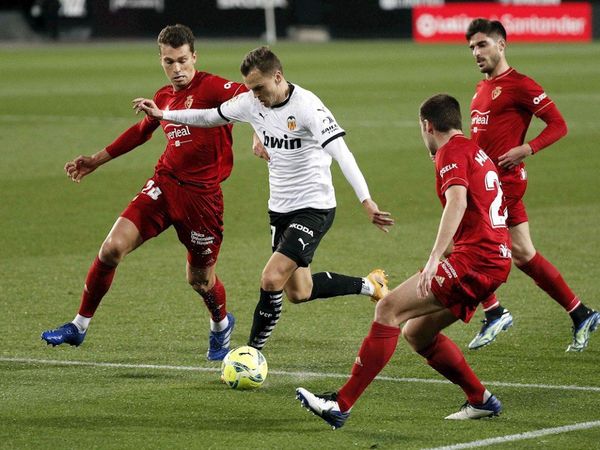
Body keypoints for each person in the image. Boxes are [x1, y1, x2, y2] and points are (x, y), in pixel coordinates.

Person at [134, 46, 394, 351]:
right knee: (299, 291)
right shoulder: (250, 102)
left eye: (259, 88)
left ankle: (250, 353)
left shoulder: (308, 106)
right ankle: (370, 285)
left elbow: (342, 153)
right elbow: (208, 116)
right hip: (280, 208)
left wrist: (367, 201)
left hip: (314, 207)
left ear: (279, 77)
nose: (255, 95)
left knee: (271, 278)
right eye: (250, 89)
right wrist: (163, 113)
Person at [295, 94, 512, 429]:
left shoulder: (450, 152)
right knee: (418, 333)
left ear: (427, 125)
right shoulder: (474, 151)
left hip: (476, 260)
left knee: (388, 309)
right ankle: (480, 399)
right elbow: (481, 213)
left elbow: (457, 203)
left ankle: (340, 403)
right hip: (494, 259)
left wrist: (434, 258)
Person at [41, 24, 247, 361]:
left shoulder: (213, 87)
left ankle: (221, 325)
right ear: (161, 60)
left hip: (202, 200)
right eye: (169, 62)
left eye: (182, 60)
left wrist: (256, 133)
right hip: (164, 186)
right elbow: (141, 132)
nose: (177, 69)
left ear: (194, 56)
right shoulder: (164, 96)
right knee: (111, 250)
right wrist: (96, 160)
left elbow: (254, 98)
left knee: (200, 280)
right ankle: (79, 326)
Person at [465, 18, 599, 352]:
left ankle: (494, 312)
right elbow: (479, 140)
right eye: (471, 48)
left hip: (503, 184)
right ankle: (581, 313)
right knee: (524, 253)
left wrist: (527, 148)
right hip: (487, 182)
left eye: (482, 45)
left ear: (501, 44)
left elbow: (559, 124)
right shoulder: (480, 89)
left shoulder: (521, 84)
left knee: (465, 244)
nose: (476, 53)